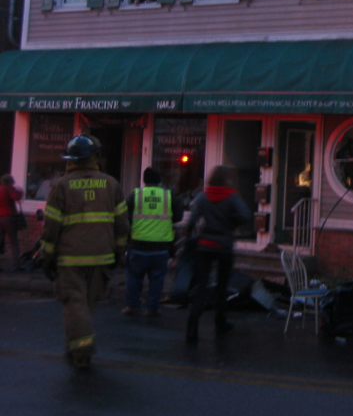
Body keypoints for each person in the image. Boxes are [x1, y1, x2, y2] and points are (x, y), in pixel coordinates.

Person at [39, 135, 129, 369]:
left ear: (72, 160)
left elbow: (51, 227)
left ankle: (81, 351)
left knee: (74, 303)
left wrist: (46, 257)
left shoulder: (62, 185)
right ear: (94, 158)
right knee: (86, 305)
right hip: (102, 256)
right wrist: (119, 253)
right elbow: (122, 225)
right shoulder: (111, 184)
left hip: (70, 258)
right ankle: (78, 346)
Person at [185, 166, 252, 344]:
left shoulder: (203, 196)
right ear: (225, 179)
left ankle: (192, 328)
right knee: (222, 285)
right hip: (224, 245)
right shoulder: (232, 196)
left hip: (205, 245)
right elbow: (245, 215)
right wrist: (232, 223)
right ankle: (220, 321)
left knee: (201, 287)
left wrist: (189, 238)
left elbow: (192, 220)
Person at [122, 167, 183, 317]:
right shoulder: (169, 195)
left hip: (138, 243)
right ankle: (152, 308)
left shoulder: (136, 195)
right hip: (161, 245)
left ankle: (133, 306)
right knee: (157, 278)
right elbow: (179, 216)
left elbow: (124, 216)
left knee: (134, 277)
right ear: (159, 180)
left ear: (144, 180)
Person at [0, 174, 24, 271]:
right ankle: (16, 265)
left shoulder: (0, 188)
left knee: (0, 241)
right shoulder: (8, 188)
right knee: (13, 242)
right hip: (9, 217)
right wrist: (20, 191)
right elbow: (16, 197)